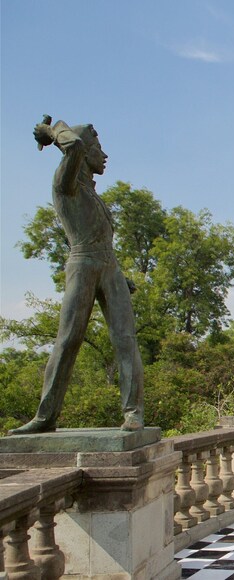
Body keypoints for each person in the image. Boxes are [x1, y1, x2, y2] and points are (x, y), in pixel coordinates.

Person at [13, 118, 145, 434]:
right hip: (83, 265)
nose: (105, 156)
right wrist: (52, 130)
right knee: (68, 339)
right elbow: (72, 144)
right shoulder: (66, 182)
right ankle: (45, 417)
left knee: (125, 340)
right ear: (85, 153)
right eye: (99, 149)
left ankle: (133, 413)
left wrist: (121, 278)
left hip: (110, 268)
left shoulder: (93, 194)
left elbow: (102, 239)